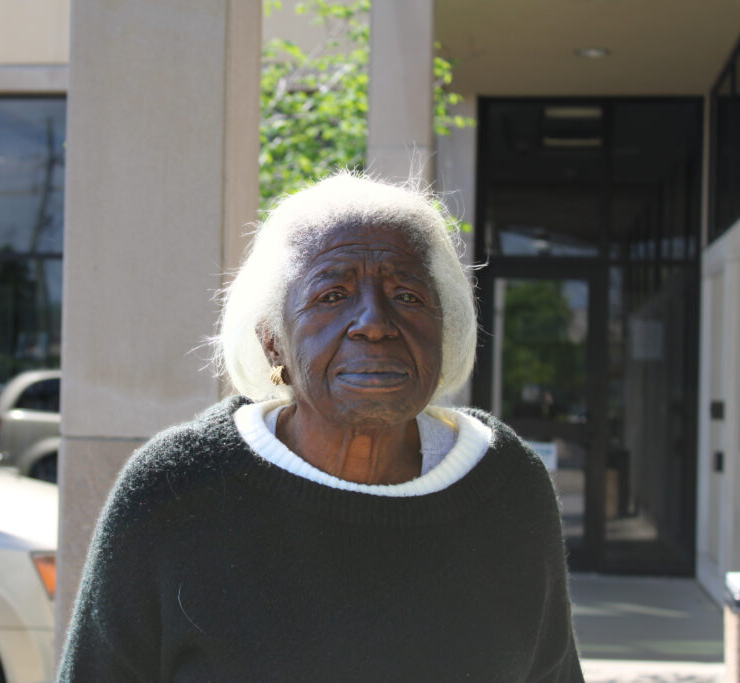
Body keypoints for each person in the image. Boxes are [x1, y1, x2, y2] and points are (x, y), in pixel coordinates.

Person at [59, 172, 584, 681]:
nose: (375, 323)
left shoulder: (507, 485)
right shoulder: (178, 487)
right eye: (332, 296)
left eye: (408, 296)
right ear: (273, 342)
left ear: (443, 331)